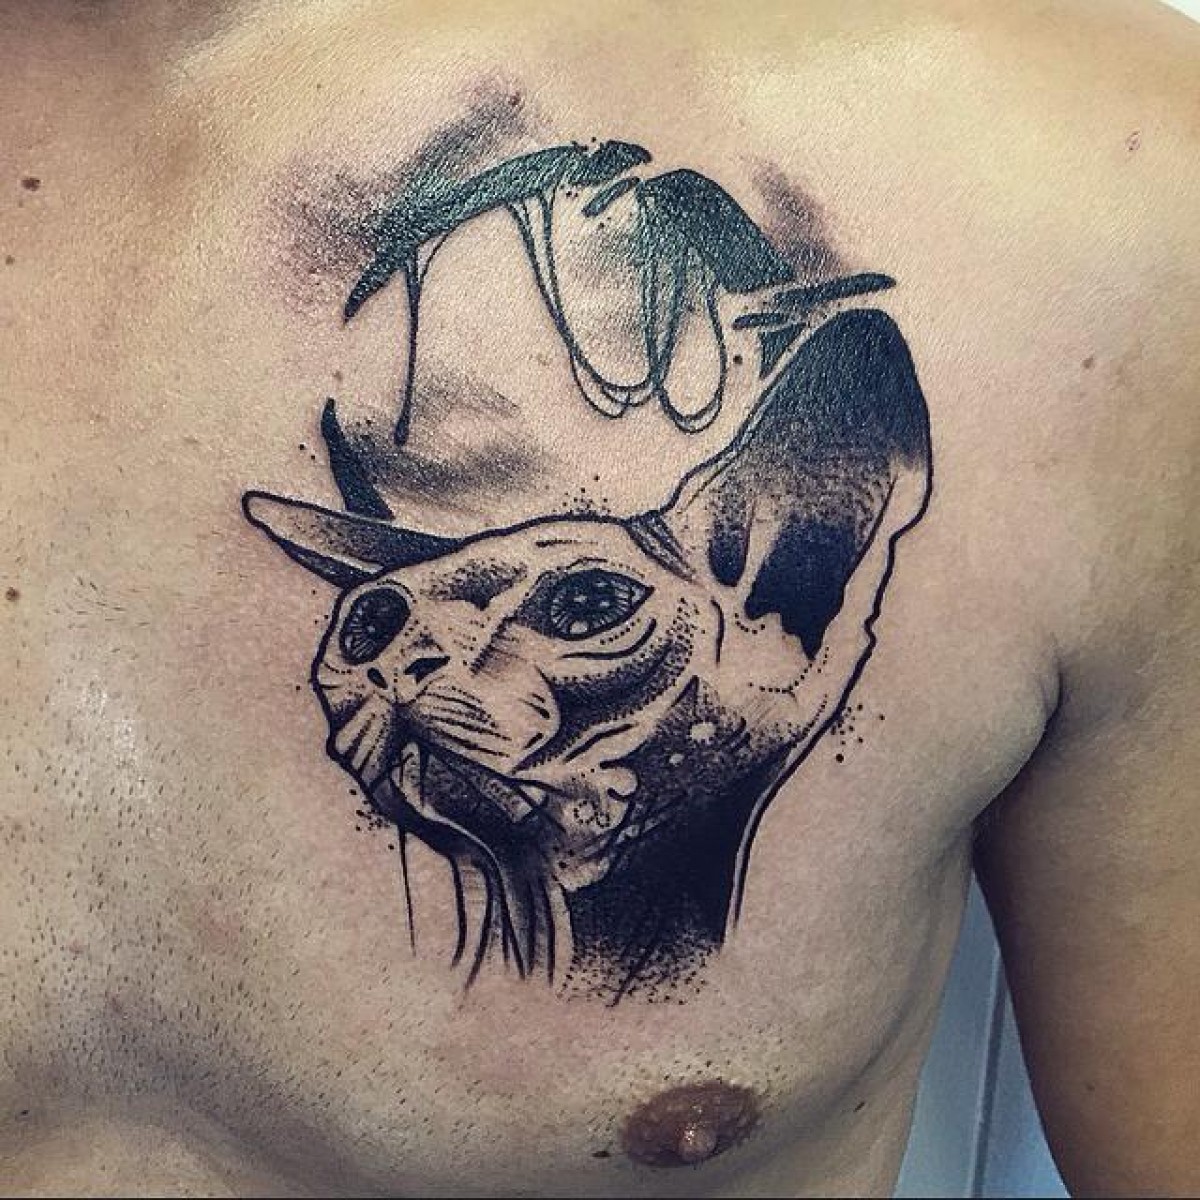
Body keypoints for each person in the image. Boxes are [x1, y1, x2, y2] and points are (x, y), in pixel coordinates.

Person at [1, 0, 1197, 1194]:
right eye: (378, 618)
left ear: (796, 601)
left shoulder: (1094, 193)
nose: (419, 655)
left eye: (581, 609)